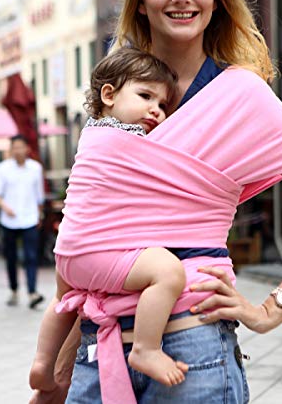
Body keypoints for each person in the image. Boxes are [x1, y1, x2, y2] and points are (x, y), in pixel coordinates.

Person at [30, 0, 282, 404]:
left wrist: (274, 309)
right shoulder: (119, 95)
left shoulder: (243, 96)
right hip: (99, 355)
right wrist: (59, 372)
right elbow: (82, 233)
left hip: (195, 355)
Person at [30, 47, 193, 389]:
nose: (156, 110)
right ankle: (146, 349)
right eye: (146, 95)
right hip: (97, 251)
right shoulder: (130, 138)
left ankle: (43, 363)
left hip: (68, 252)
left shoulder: (91, 134)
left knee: (63, 301)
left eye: (163, 105)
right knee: (167, 272)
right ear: (109, 94)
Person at [0, 134, 45, 309]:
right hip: (9, 220)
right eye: (15, 147)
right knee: (11, 257)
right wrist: (5, 207)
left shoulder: (35, 168)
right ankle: (13, 289)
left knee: (31, 256)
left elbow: (39, 195)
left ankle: (32, 292)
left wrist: (39, 215)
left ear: (26, 148)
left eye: (22, 146)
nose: (19, 150)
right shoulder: (2, 169)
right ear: (11, 149)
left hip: (29, 218)